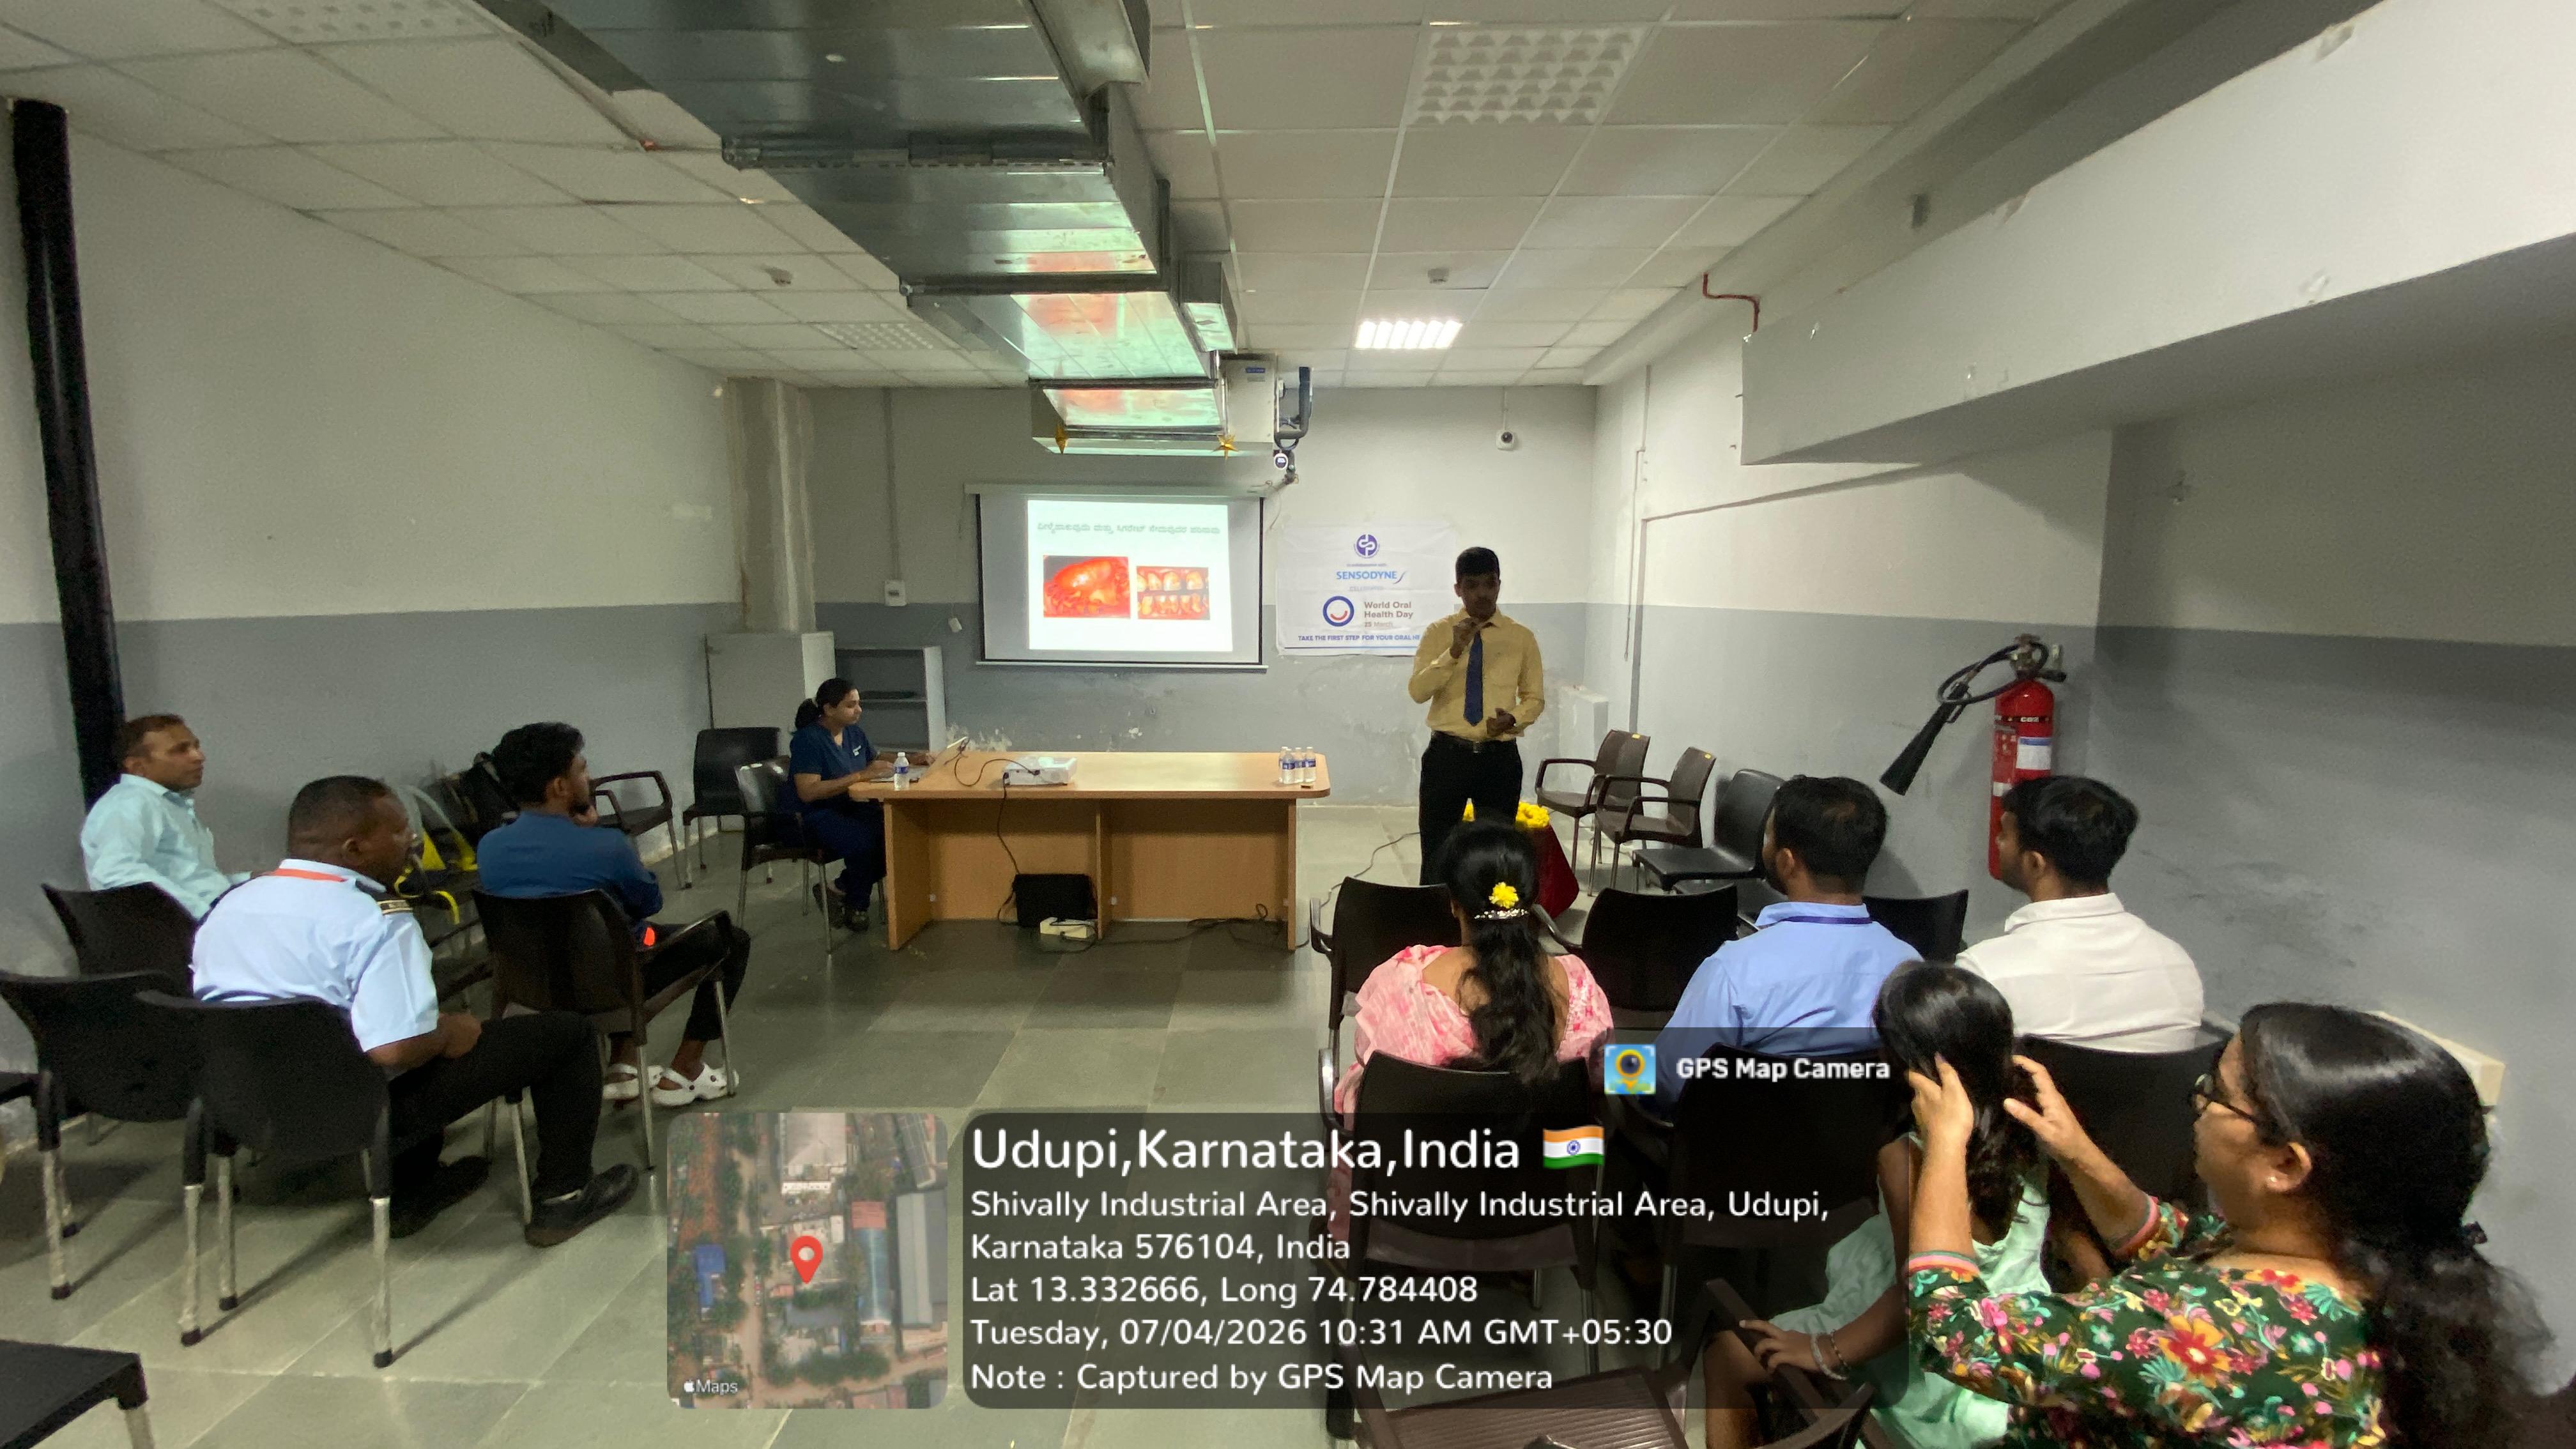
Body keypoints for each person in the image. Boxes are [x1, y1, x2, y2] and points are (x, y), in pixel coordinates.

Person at [1905, 1003, 2544, 1446]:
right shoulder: (2361, 1268)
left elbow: (1955, 1333)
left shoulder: (2203, 1332)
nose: (2198, 1102)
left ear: (2286, 1165)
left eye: (2215, 1092)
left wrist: (1945, 1145)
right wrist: (2077, 1152)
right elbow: (2166, 1239)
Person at [192, 776, 635, 1244]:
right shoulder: (376, 920)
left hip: (241, 1106)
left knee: (389, 1028)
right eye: (400, 830)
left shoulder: (229, 906)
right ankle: (564, 1198)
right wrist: (448, 1033)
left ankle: (415, 1188)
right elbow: (395, 1049)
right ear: (355, 848)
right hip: (354, 1112)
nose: (413, 841)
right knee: (566, 1035)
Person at [1706, 963, 2050, 1449]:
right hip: (2015, 1345)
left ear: (1901, 1060)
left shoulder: (1906, 1158)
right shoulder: (2035, 1127)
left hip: (1929, 1364)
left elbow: (1918, 1296)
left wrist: (1825, 1350)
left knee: (1727, 1354)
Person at [476, 723, 752, 1108]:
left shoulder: (490, 847)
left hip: (531, 993)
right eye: (582, 769)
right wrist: (593, 834)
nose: (588, 778)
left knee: (620, 938)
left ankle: (624, 1066)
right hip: (612, 988)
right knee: (727, 939)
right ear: (560, 786)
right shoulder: (606, 846)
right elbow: (649, 902)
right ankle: (685, 1069)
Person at [1653, 776, 1919, 1105]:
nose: (1765, 846)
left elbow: (1668, 1080)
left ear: (1787, 862)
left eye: (1769, 837)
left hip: (1744, 1137)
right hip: (1867, 1136)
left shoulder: (1734, 971)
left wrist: (1608, 1068)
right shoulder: (1911, 969)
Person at [1331, 821, 1612, 1116]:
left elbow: (1372, 1066)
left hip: (1426, 1145)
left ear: (1454, 904)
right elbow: (1610, 1079)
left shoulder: (1404, 982)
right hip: (1548, 1145)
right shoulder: (1580, 985)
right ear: (1532, 902)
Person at [1958, 775, 2203, 1054]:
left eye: (2004, 834)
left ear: (2035, 863)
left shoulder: (1986, 974)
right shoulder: (2177, 964)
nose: (1998, 842)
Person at [1408, 546, 1544, 883]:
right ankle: (1436, 913)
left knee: (1496, 854)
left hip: (1499, 758)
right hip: (1447, 756)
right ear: (1458, 589)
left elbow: (1534, 698)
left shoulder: (1521, 637)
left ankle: (1489, 915)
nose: (1482, 593)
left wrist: (1513, 719)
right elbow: (1418, 692)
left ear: (1499, 585)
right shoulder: (1438, 633)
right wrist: (1454, 650)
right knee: (1437, 850)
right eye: (1472, 585)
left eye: (1490, 583)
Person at [788, 678, 928, 929]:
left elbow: (874, 758)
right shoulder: (808, 740)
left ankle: (840, 888)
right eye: (850, 705)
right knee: (864, 843)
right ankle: (857, 904)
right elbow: (808, 792)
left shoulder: (853, 732)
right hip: (819, 813)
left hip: (851, 805)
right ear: (829, 709)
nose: (859, 710)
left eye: (859, 704)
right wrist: (861, 776)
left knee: (897, 832)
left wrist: (910, 759)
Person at [79, 714, 249, 919]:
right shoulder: (128, 803)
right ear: (138, 767)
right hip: (183, 926)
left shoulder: (165, 804)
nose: (199, 756)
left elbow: (194, 881)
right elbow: (116, 872)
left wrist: (249, 880)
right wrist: (205, 915)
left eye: (196, 746)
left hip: (206, 914)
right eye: (180, 750)